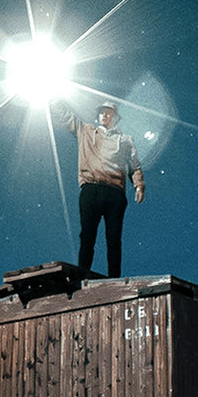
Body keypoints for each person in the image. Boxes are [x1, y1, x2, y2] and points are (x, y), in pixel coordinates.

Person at [54, 100, 145, 277]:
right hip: (91, 189)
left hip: (115, 192)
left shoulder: (125, 140)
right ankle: (82, 275)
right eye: (103, 112)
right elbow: (67, 117)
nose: (105, 115)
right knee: (87, 235)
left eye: (109, 113)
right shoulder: (86, 130)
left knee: (113, 238)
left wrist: (139, 185)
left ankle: (115, 279)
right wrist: (54, 101)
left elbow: (134, 165)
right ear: (98, 115)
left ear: (115, 118)